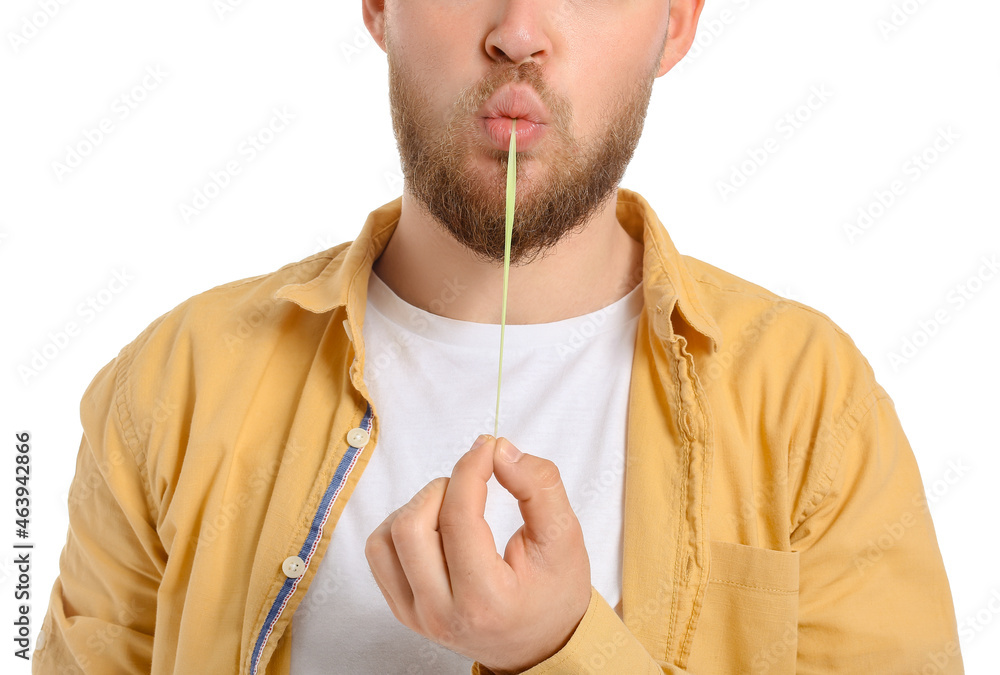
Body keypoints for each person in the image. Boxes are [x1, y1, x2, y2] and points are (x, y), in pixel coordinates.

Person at [33, 1, 964, 673]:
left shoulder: (808, 402)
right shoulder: (174, 384)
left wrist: (560, 651)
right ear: (377, 7)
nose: (518, 30)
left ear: (675, 24)